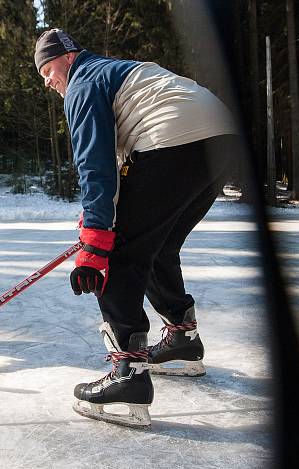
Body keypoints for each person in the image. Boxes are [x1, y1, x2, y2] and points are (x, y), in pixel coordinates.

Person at [34, 29, 240, 427]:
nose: (47, 80)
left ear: (69, 57)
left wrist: (94, 243)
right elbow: (121, 180)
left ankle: (128, 374)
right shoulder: (114, 75)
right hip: (220, 138)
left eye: (48, 68)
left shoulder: (84, 81)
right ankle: (181, 339)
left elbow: (96, 167)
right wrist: (97, 223)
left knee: (121, 252)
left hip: (174, 138)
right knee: (156, 244)